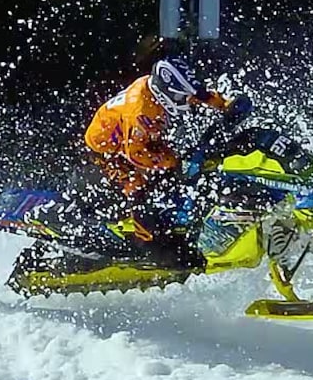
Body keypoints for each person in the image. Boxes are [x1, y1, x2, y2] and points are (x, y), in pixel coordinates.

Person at [82, 52, 247, 267]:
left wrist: (227, 105)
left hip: (139, 140)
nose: (188, 103)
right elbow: (136, 155)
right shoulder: (141, 112)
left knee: (178, 168)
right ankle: (148, 243)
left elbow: (199, 94)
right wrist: (174, 163)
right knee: (136, 186)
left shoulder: (168, 90)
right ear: (165, 94)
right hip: (108, 152)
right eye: (182, 99)